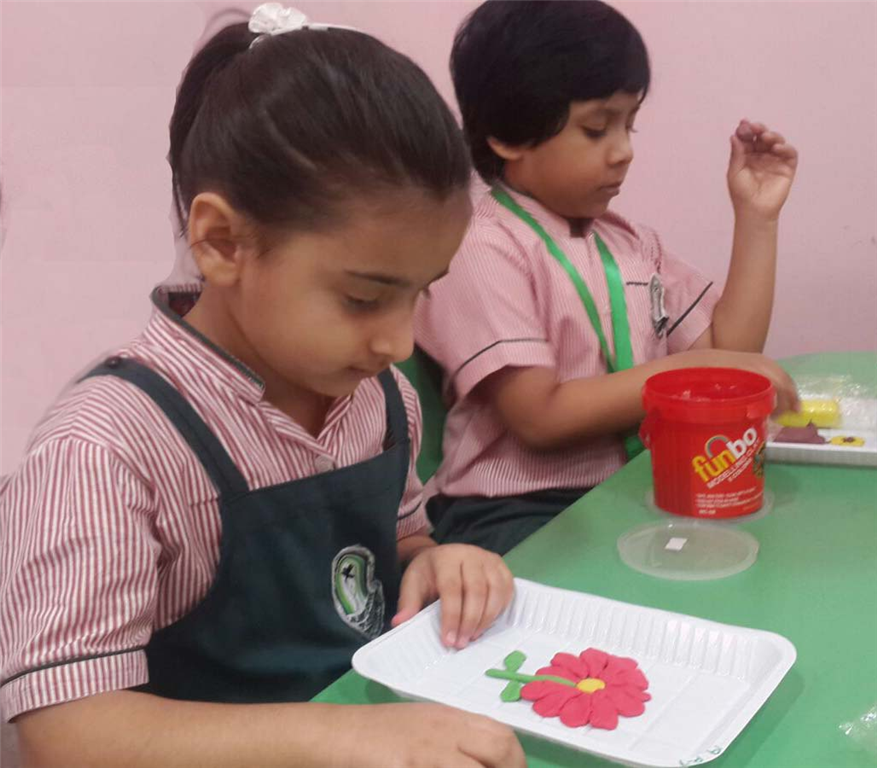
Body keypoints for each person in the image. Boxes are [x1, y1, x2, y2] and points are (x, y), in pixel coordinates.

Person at [0, 5, 525, 767]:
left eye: (421, 293)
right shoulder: (102, 449)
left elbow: (397, 539)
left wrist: (432, 561)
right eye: (363, 297)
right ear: (222, 242)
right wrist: (344, 737)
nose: (399, 342)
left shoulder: (380, 399)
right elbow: (65, 732)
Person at [415, 0, 800, 555]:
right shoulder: (482, 245)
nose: (624, 152)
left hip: (625, 489)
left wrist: (757, 218)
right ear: (507, 134)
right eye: (596, 128)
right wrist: (692, 370)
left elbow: (731, 353)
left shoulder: (630, 243)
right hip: (515, 510)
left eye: (629, 123)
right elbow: (541, 417)